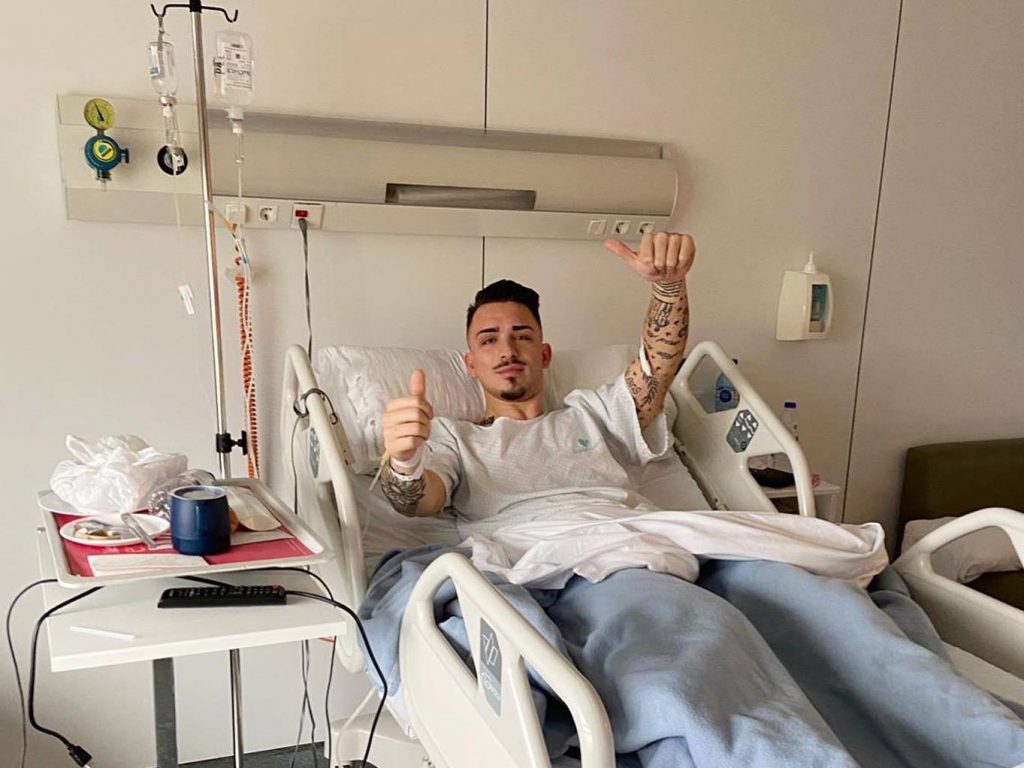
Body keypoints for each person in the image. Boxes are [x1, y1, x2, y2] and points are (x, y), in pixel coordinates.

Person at [378, 232, 695, 519]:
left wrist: (668, 287)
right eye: (489, 340)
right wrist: (404, 462)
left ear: (544, 355)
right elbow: (419, 503)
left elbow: (656, 368)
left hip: (640, 537)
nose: (507, 350)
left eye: (522, 336)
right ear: (471, 365)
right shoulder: (456, 439)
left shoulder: (592, 415)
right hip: (537, 550)